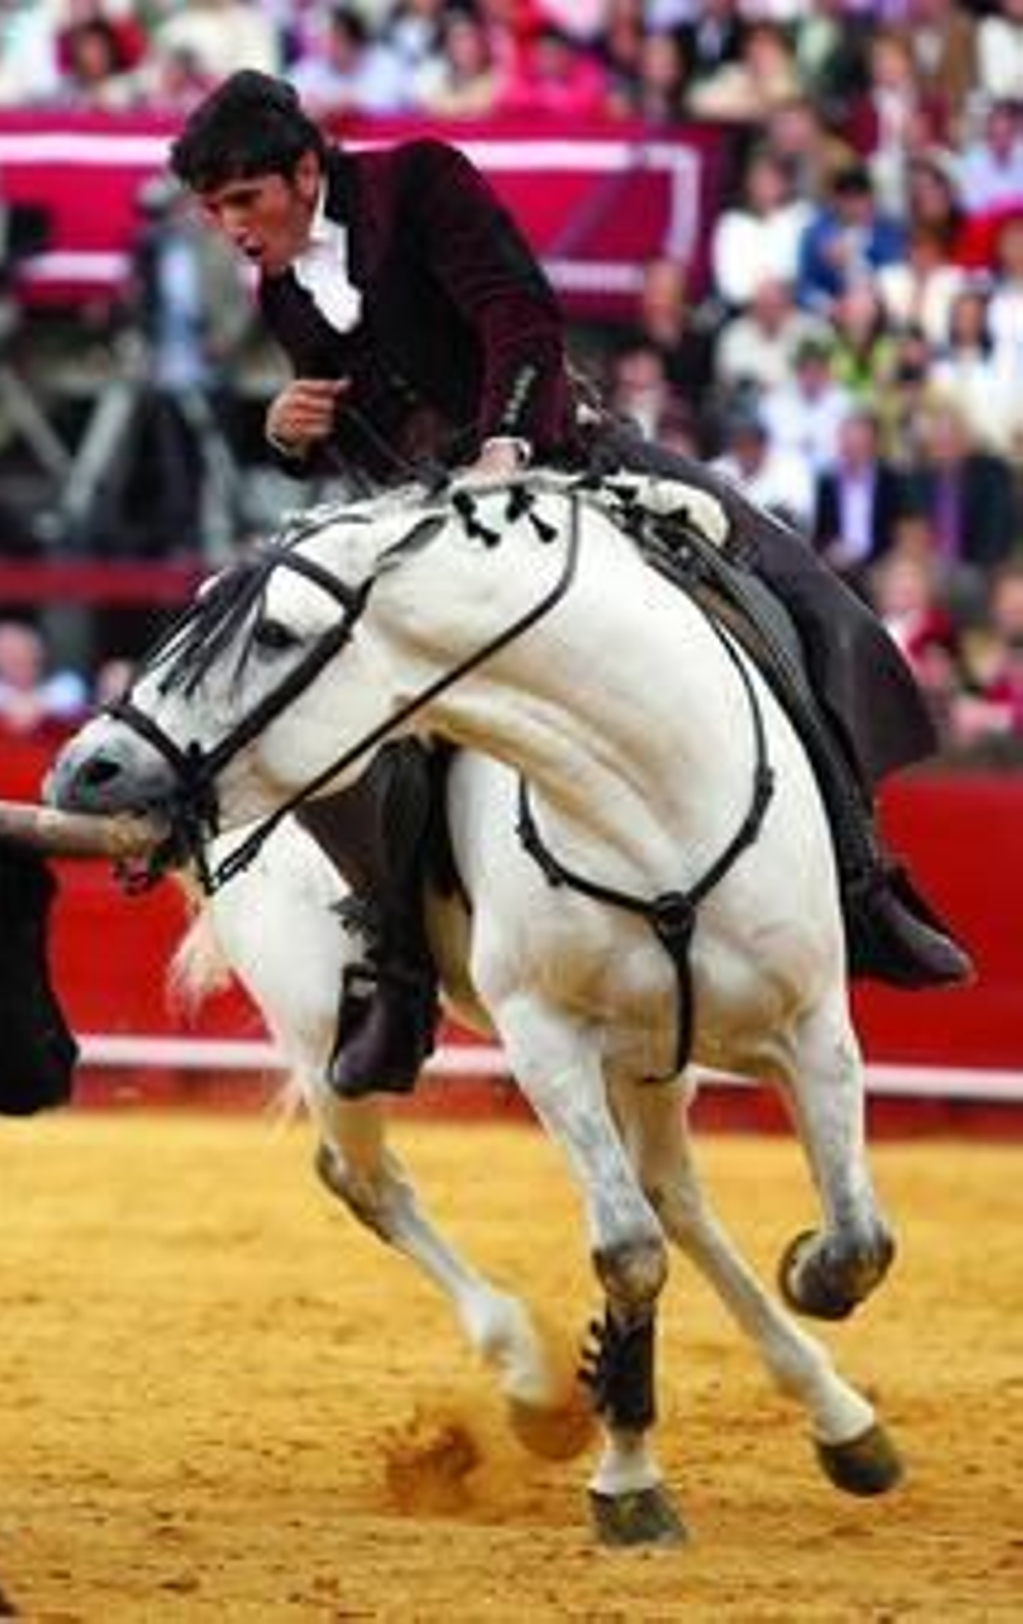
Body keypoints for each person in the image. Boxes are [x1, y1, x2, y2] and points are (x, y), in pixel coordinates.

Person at [167, 69, 971, 1102]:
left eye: (243, 201)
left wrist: (507, 440)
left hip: (564, 452)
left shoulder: (418, 181)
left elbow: (517, 314)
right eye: (212, 209)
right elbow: (356, 439)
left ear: (304, 169)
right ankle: (401, 967)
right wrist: (291, 439)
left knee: (798, 591)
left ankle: (864, 879)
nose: (231, 227)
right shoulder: (281, 288)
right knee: (340, 706)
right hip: (425, 523)